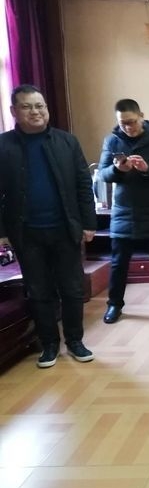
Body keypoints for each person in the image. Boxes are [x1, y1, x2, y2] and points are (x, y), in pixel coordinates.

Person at [0, 84, 97, 368]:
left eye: (39, 105)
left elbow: (83, 185)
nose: (36, 112)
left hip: (65, 229)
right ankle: (49, 344)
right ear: (14, 111)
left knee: (72, 289)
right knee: (38, 290)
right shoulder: (4, 146)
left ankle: (75, 341)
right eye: (27, 107)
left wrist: (88, 223)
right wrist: (2, 233)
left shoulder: (67, 142)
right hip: (26, 233)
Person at [97, 99, 149, 324]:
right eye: (122, 123)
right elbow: (102, 174)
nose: (127, 127)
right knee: (118, 263)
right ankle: (114, 305)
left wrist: (147, 168)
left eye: (131, 122)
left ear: (141, 116)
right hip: (123, 212)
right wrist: (117, 169)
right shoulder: (112, 140)